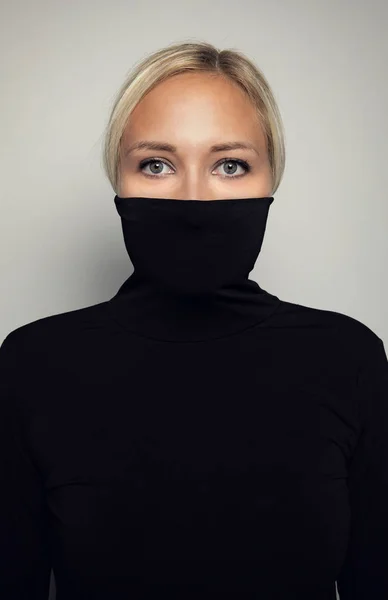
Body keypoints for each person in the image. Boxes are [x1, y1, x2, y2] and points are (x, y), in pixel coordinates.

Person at [0, 40, 387, 600]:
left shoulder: (348, 358)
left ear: (271, 181)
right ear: (119, 181)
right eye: (156, 164)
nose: (194, 198)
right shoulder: (33, 365)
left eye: (230, 165)